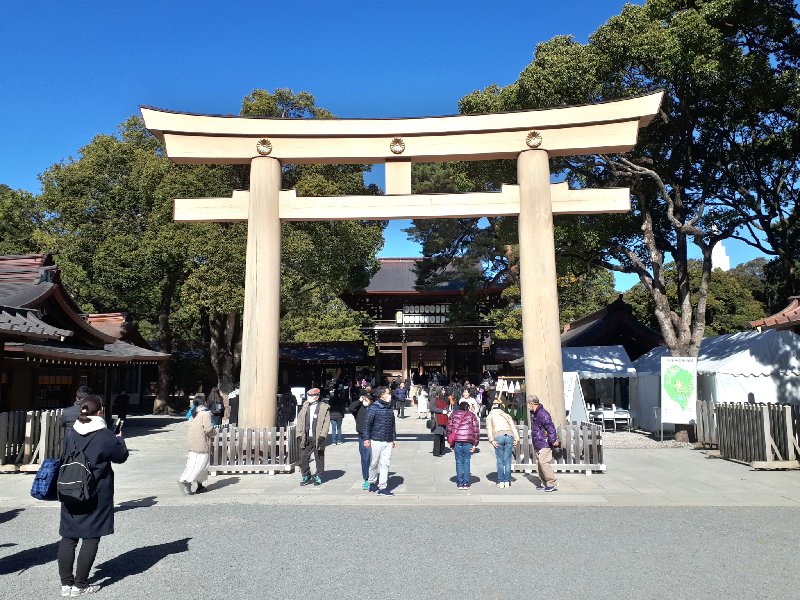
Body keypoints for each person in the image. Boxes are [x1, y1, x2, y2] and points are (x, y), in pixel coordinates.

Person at [57, 393, 128, 596]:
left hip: (70, 487)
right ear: (100, 412)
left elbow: (63, 456)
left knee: (68, 536)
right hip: (96, 491)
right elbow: (120, 457)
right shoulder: (105, 435)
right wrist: (120, 441)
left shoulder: (71, 433)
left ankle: (66, 585)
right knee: (90, 536)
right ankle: (80, 584)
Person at [178, 394, 215, 494]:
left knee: (192, 463)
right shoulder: (205, 413)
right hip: (201, 442)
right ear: (204, 402)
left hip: (192, 442)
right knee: (201, 464)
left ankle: (199, 485)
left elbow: (189, 424)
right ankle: (187, 480)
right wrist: (214, 433)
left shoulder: (194, 413)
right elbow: (208, 429)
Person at [363, 386, 397, 496]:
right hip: (376, 440)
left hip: (387, 440)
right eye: (388, 393)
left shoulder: (389, 407)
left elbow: (393, 425)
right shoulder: (374, 407)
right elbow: (367, 424)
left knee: (385, 464)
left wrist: (394, 438)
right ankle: (372, 482)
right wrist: (366, 438)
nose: (390, 394)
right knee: (374, 463)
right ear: (382, 395)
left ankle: (383, 487)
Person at [296, 388, 330, 486]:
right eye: (308, 395)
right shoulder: (305, 406)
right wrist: (299, 434)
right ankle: (306, 475)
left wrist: (323, 435)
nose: (308, 397)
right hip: (306, 436)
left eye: (310, 395)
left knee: (319, 456)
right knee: (303, 457)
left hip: (318, 436)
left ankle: (318, 475)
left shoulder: (324, 407)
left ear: (316, 396)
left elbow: (326, 423)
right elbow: (299, 421)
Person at [528, 395, 559, 492]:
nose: (528, 406)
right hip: (538, 441)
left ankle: (551, 482)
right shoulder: (534, 413)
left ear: (532, 404)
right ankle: (544, 483)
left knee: (543, 462)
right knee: (539, 463)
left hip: (544, 442)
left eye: (528, 404)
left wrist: (552, 440)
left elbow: (551, 428)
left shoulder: (542, 414)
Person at [446, 400, 480, 489]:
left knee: (459, 461)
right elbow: (476, 429)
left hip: (457, 440)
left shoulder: (453, 414)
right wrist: (475, 444)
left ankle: (460, 483)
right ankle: (466, 483)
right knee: (467, 461)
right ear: (468, 407)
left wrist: (450, 441)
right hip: (468, 441)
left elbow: (449, 428)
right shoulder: (472, 415)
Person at [485, 398, 519, 488]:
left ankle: (501, 481)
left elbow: (489, 429)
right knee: (508, 460)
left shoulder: (490, 416)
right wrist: (516, 439)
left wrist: (491, 440)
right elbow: (513, 427)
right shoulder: (506, 415)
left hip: (498, 436)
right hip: (509, 435)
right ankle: (507, 481)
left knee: (500, 460)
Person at [348, 391, 373, 490]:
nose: (365, 401)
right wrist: (359, 401)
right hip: (362, 436)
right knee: (365, 457)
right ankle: (366, 478)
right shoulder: (359, 408)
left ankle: (373, 477)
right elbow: (350, 408)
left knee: (375, 458)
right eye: (364, 399)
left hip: (374, 435)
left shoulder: (374, 408)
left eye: (367, 399)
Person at [429, 387, 449, 457]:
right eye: (442, 390)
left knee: (442, 435)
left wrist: (447, 411)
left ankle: (441, 449)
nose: (444, 391)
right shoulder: (434, 399)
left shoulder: (444, 398)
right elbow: (431, 408)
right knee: (437, 436)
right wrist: (441, 411)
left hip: (444, 419)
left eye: (444, 390)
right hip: (437, 419)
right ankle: (436, 452)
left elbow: (446, 407)